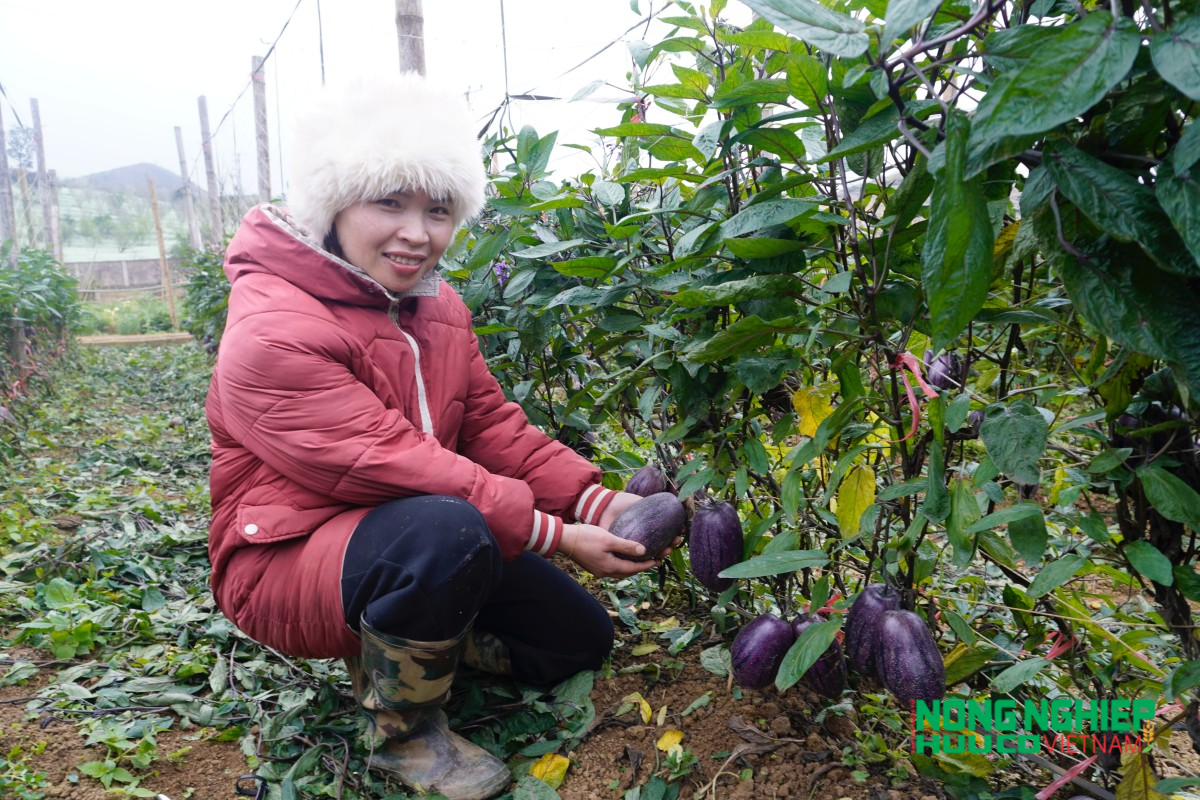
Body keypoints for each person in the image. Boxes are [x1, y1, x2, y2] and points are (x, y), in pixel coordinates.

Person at [204, 74, 666, 800]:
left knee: (574, 640)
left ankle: (412, 643)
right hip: (286, 559)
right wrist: (555, 534)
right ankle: (406, 733)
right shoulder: (273, 327)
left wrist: (592, 501)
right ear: (334, 205)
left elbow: (487, 424)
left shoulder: (434, 307)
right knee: (442, 529)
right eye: (390, 202)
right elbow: (397, 465)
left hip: (423, 534)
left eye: (439, 209)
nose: (418, 233)